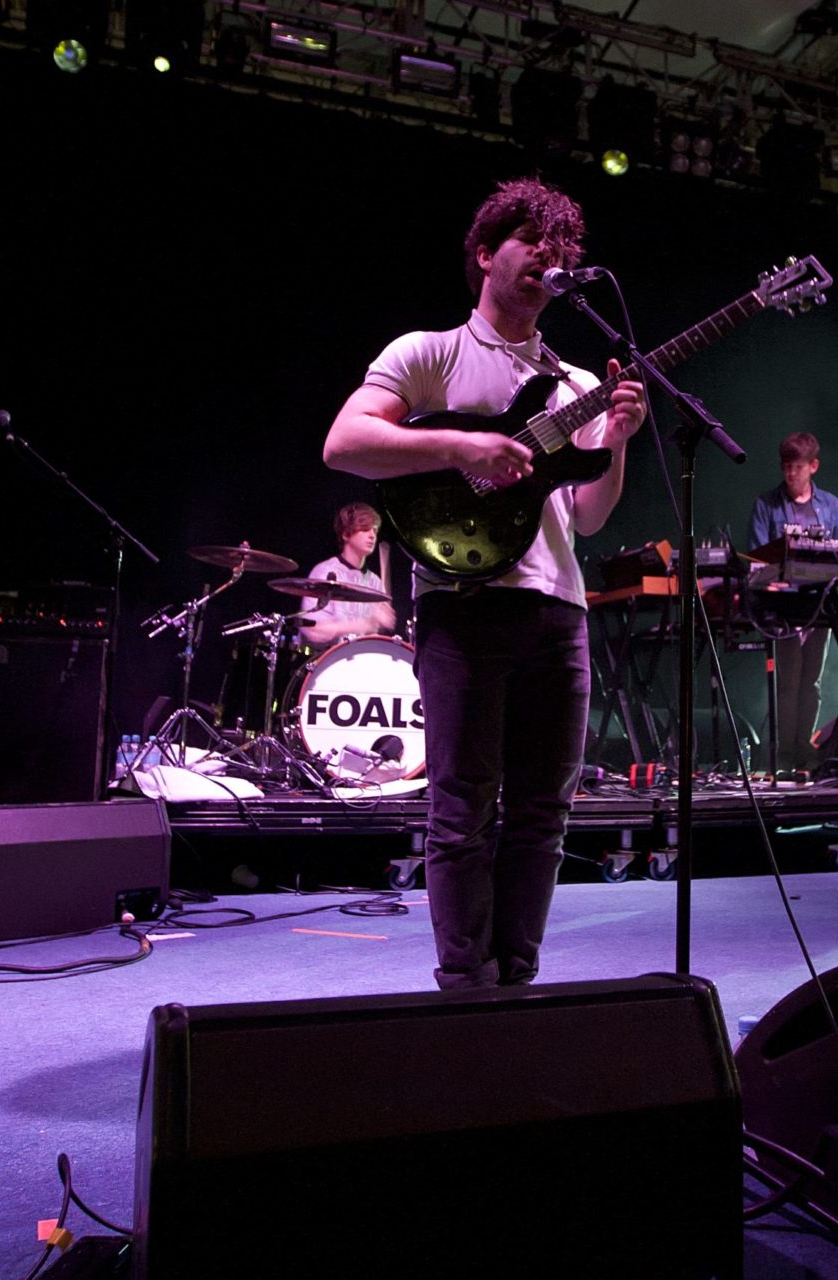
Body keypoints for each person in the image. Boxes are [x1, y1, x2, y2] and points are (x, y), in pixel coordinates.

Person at [321, 177, 645, 988]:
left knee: (545, 812)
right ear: (484, 253)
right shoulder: (428, 353)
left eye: (561, 246)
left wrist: (623, 438)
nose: (549, 254)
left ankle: (518, 974)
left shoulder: (575, 385)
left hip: (559, 610)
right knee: (464, 807)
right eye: (530, 237)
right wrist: (465, 449)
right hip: (464, 610)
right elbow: (345, 443)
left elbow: (592, 517)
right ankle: (464, 981)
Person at [746, 431, 838, 776]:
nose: (791, 474)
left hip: (819, 605)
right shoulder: (767, 505)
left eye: (797, 467)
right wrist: (771, 580)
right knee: (788, 682)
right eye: (786, 467)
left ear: (813, 467)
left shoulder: (831, 506)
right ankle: (784, 755)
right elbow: (756, 556)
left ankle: (805, 751)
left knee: (812, 683)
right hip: (784, 607)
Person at [299, 501, 397, 647]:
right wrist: (363, 625)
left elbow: (372, 637)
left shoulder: (375, 582)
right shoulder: (326, 572)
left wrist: (382, 623)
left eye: (374, 530)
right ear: (346, 534)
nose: (372, 536)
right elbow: (313, 630)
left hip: (361, 659)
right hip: (328, 661)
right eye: (365, 529)